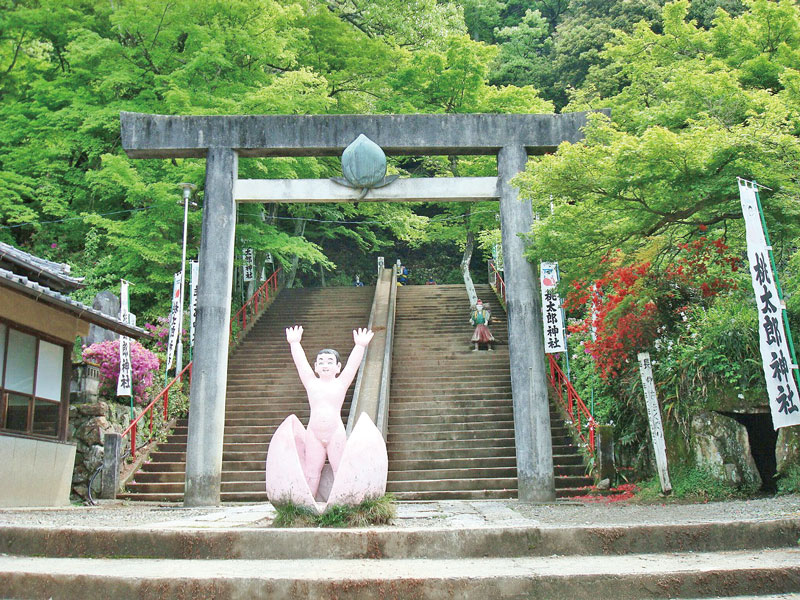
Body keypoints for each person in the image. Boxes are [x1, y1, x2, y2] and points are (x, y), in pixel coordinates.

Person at [285, 325, 374, 497]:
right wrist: (295, 343)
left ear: (338, 367)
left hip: (335, 432)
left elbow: (352, 367)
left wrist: (360, 346)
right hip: (313, 433)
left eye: (330, 362)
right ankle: (307, 508)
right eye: (322, 362)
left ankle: (343, 503)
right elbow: (301, 365)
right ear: (316, 367)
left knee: (340, 470)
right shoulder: (311, 383)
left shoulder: (341, 383)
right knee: (311, 472)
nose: (325, 365)